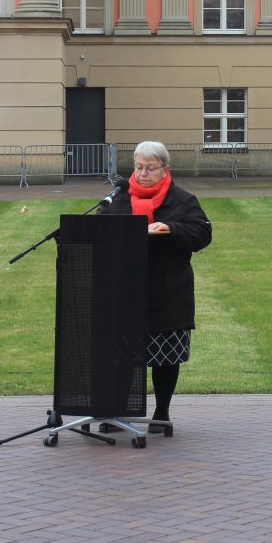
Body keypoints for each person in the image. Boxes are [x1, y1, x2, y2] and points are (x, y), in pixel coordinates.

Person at [101, 141, 212, 431]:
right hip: (126, 289)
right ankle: (118, 412)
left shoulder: (182, 201)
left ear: (165, 170)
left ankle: (161, 413)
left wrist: (171, 229)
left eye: (150, 168)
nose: (143, 173)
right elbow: (99, 230)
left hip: (167, 292)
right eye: (138, 167)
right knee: (122, 355)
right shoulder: (119, 199)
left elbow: (202, 233)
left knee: (164, 357)